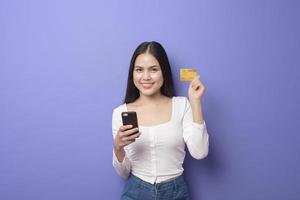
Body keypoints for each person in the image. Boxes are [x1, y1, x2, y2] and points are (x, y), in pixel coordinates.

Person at [112, 41, 209, 200]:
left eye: (154, 69)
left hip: (175, 193)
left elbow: (200, 152)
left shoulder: (181, 105)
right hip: (135, 192)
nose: (146, 77)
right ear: (132, 74)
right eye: (139, 70)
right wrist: (118, 148)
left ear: (164, 71)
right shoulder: (120, 113)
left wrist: (196, 101)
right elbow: (123, 173)